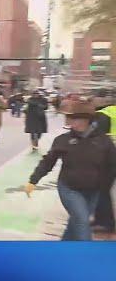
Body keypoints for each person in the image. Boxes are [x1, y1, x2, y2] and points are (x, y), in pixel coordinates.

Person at [24, 100, 116, 241]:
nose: (68, 121)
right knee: (82, 220)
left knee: (75, 222)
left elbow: (112, 165)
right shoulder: (63, 140)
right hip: (69, 188)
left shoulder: (104, 142)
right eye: (68, 117)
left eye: (73, 118)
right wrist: (33, 180)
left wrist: (104, 186)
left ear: (86, 119)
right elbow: (48, 161)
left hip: (94, 190)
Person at [92, 100, 116, 233]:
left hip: (109, 157)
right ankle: (101, 220)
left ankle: (105, 223)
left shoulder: (102, 115)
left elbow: (98, 139)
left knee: (101, 189)